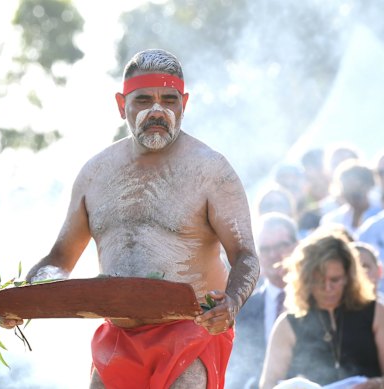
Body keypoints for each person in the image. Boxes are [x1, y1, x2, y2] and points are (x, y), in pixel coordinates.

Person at [18, 49, 260, 388]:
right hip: (117, 341)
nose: (157, 111)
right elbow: (60, 260)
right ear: (121, 105)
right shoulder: (95, 173)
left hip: (191, 332)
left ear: (184, 103)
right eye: (143, 100)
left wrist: (231, 304)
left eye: (169, 100)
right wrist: (22, 298)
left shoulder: (211, 170)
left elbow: (245, 256)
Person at [259, 230, 384, 388]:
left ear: (349, 277)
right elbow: (268, 385)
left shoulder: (375, 312)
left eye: (335, 279)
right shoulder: (288, 324)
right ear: (305, 280)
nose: (328, 288)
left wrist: (377, 384)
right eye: (319, 281)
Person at [226, 213, 298, 389]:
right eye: (265, 249)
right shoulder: (243, 309)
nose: (274, 255)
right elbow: (237, 367)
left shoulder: (321, 300)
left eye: (282, 246)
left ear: (297, 246)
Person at [320, 160, 381, 235]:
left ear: (369, 185)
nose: (352, 196)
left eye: (357, 189)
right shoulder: (332, 221)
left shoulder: (380, 214)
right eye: (346, 190)